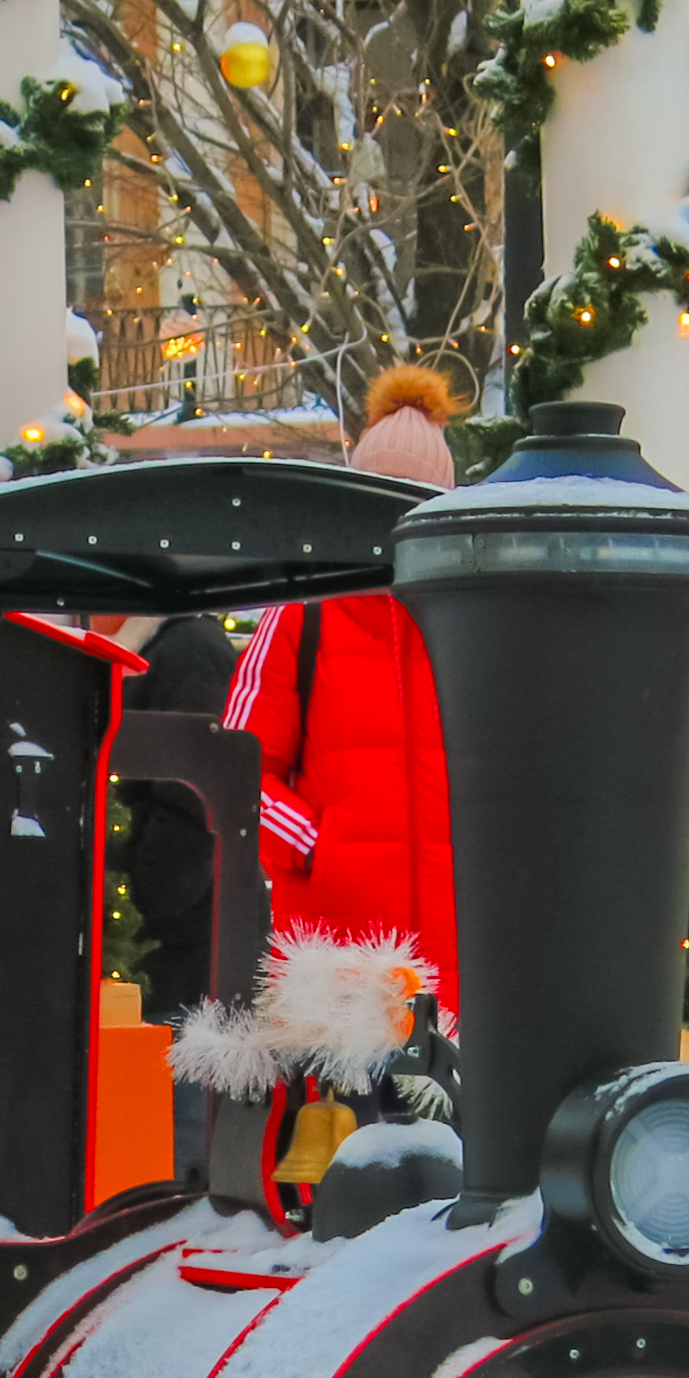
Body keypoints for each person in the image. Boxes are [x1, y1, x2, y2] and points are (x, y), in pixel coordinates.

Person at [221, 361, 466, 999]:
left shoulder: (475, 618)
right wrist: (315, 846)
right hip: (333, 968)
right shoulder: (302, 612)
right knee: (336, 1104)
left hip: (461, 972)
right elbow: (238, 766)